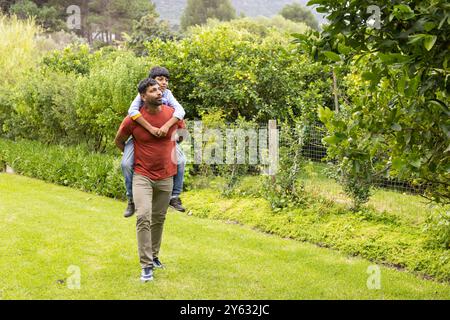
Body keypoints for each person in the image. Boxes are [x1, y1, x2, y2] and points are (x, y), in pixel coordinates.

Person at [115, 78, 183, 282]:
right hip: (142, 175)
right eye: (153, 90)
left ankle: (154, 257)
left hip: (166, 176)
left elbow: (182, 133)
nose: (159, 92)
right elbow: (119, 140)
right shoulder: (133, 119)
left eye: (158, 89)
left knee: (159, 218)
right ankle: (146, 266)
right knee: (143, 216)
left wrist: (173, 144)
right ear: (143, 97)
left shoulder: (171, 114)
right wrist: (132, 156)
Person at [121, 67, 187, 218]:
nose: (163, 83)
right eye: (160, 80)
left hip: (165, 137)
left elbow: (180, 112)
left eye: (166, 80)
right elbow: (132, 112)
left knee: (181, 160)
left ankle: (174, 196)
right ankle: (131, 199)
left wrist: (167, 128)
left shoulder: (167, 94)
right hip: (140, 136)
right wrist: (150, 129)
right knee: (125, 163)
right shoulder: (141, 96)